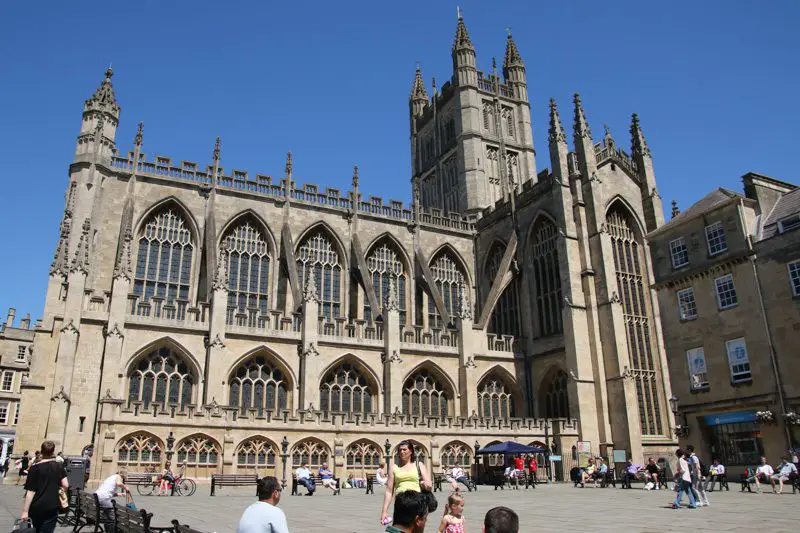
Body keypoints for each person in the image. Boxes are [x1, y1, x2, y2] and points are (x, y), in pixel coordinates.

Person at [20, 441, 69, 533]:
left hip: (36, 506)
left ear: (41, 451)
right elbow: (66, 485)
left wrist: (25, 511)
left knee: (34, 529)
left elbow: (30, 491)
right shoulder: (59, 466)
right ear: (53, 451)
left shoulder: (34, 468)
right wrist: (60, 490)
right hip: (52, 505)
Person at [380, 440, 432, 526]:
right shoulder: (394, 468)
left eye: (404, 449)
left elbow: (429, 485)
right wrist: (384, 511)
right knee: (398, 529)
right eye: (400, 450)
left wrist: (425, 484)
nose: (402, 452)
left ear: (411, 451)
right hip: (400, 504)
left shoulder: (419, 465)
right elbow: (389, 491)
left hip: (416, 503)